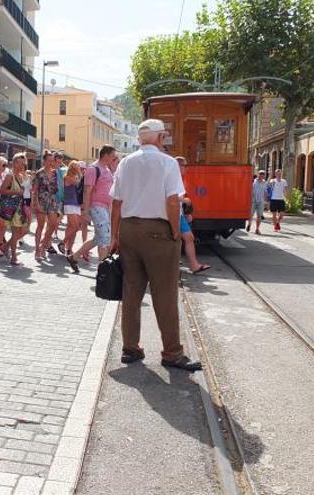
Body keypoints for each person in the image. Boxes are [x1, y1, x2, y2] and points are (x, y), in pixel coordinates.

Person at [110, 119, 202, 371]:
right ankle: (172, 353)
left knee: (131, 291)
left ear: (140, 139)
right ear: (161, 138)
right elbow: (173, 201)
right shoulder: (167, 163)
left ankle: (130, 348)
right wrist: (174, 230)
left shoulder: (125, 162)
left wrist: (114, 236)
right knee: (165, 293)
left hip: (129, 229)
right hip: (158, 231)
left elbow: (116, 203)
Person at [68, 146, 117, 272]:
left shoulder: (107, 169)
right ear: (105, 155)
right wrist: (85, 210)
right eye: (113, 155)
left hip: (105, 207)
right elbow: (87, 191)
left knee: (98, 238)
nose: (114, 158)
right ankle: (104, 272)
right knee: (104, 239)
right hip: (96, 206)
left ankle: (73, 257)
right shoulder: (93, 169)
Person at [175, 157, 210, 274]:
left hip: (178, 214)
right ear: (178, 166)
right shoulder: (173, 179)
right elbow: (170, 197)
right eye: (185, 166)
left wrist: (186, 212)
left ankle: (191, 264)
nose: (186, 168)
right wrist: (185, 200)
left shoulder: (179, 179)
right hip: (174, 214)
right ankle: (192, 265)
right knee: (186, 238)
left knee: (185, 238)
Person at [0, 153, 31, 265]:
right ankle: (13, 257)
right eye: (20, 163)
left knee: (23, 231)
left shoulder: (21, 176)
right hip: (12, 207)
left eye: (24, 163)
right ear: (14, 162)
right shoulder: (10, 175)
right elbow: (2, 190)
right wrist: (16, 192)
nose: (22, 165)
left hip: (20, 207)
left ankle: (5, 247)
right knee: (15, 232)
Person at [33, 151, 62, 261]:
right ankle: (37, 250)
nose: (51, 163)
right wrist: (36, 203)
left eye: (52, 160)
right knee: (40, 226)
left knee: (53, 224)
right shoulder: (39, 173)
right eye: (49, 160)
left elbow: (57, 188)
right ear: (44, 160)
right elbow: (35, 190)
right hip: (42, 200)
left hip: (53, 200)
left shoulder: (55, 172)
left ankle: (43, 246)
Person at [60, 160, 83, 257]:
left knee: (71, 227)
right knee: (76, 226)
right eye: (77, 165)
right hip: (69, 203)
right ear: (72, 167)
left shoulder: (75, 176)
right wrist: (80, 173)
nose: (79, 167)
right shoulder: (68, 177)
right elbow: (78, 182)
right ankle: (63, 243)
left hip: (75, 204)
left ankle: (69, 249)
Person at [247, 170, 268, 234]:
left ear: (264, 176)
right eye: (260, 174)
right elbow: (250, 190)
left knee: (259, 216)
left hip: (261, 201)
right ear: (258, 174)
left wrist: (266, 202)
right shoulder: (253, 181)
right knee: (251, 215)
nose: (262, 175)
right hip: (253, 201)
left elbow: (265, 192)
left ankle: (257, 229)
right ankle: (249, 224)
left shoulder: (264, 183)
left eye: (263, 174)